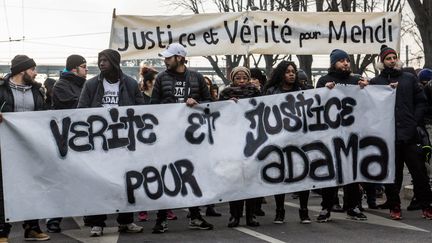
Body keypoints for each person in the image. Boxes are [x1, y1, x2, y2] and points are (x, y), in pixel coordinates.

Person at [78, 49, 145, 237]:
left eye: (105, 60)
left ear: (115, 62)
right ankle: (97, 223)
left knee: (126, 182)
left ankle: (126, 221)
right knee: (99, 182)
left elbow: (140, 109)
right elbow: (81, 110)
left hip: (124, 142)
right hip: (99, 143)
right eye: (100, 60)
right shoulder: (91, 85)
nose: (101, 63)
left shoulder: (130, 84)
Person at [151, 43, 214, 233]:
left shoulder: (196, 77)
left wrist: (197, 103)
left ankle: (195, 216)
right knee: (166, 174)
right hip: (168, 136)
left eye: (168, 57)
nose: (165, 60)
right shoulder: (161, 78)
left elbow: (210, 103)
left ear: (179, 58)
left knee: (191, 175)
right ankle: (161, 219)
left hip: (191, 137)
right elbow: (153, 105)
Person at [370, 45, 432, 220]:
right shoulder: (376, 83)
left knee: (419, 172)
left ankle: (427, 205)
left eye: (393, 58)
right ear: (382, 62)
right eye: (388, 58)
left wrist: (414, 121)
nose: (391, 61)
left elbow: (421, 101)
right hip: (389, 136)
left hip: (409, 134)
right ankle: (394, 206)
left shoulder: (409, 79)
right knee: (392, 174)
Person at [0, 55, 50, 241]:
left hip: (30, 148)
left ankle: (32, 228)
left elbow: (43, 115)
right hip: (5, 148)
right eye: (33, 69)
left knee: (32, 186)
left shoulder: (38, 91)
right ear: (22, 70)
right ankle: (2, 231)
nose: (36, 73)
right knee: (4, 189)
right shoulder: (1, 89)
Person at [315, 49, 369, 222]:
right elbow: (316, 103)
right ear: (333, 63)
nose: (345, 63)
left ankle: (352, 206)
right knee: (331, 172)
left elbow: (368, 102)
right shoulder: (324, 80)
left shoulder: (356, 80)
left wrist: (366, 88)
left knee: (352, 172)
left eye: (347, 60)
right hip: (332, 134)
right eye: (341, 61)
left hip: (353, 133)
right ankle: (326, 207)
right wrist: (324, 90)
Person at [44, 55, 88, 233]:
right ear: (74, 68)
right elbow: (76, 105)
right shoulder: (61, 86)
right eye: (84, 67)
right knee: (61, 179)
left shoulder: (84, 85)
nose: (87, 70)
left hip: (80, 139)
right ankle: (53, 217)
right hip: (64, 139)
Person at [264, 61, 312, 224]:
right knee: (281, 176)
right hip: (279, 141)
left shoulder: (303, 92)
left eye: (293, 71)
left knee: (303, 175)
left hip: (300, 140)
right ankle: (279, 211)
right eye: (288, 71)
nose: (292, 74)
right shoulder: (270, 93)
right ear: (281, 74)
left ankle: (304, 211)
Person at [219, 66, 261, 228]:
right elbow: (217, 112)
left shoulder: (256, 92)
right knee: (235, 180)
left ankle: (251, 216)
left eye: (244, 78)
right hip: (232, 141)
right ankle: (234, 215)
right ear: (232, 79)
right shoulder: (225, 93)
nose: (242, 81)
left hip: (252, 141)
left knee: (250, 180)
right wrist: (226, 105)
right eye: (238, 78)